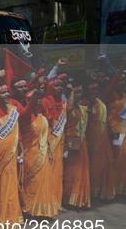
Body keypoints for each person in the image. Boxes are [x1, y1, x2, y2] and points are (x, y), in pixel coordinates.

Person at [0, 79, 24, 226]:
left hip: (11, 152)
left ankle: (9, 217)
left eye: (7, 91)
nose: (7, 94)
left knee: (10, 183)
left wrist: (22, 149)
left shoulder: (13, 109)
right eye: (2, 92)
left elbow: (17, 131)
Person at [18, 78, 60, 217]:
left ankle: (41, 210)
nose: (36, 103)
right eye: (32, 101)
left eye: (37, 101)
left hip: (42, 153)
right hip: (30, 156)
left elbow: (45, 135)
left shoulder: (41, 117)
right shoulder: (24, 116)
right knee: (32, 184)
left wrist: (48, 151)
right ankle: (28, 209)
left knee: (44, 183)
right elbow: (30, 106)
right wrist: (37, 87)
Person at [104, 54, 126, 195]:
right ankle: (112, 186)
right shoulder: (110, 95)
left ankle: (122, 189)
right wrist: (122, 65)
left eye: (125, 81)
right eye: (120, 81)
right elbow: (115, 81)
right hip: (114, 133)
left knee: (124, 159)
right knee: (114, 159)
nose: (123, 83)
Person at [82, 80, 115, 200]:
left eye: (96, 89)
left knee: (106, 162)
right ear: (86, 91)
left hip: (104, 138)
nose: (95, 92)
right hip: (91, 139)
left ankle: (103, 190)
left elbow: (104, 120)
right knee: (94, 165)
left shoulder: (100, 102)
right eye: (92, 89)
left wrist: (112, 130)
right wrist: (90, 103)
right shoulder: (82, 103)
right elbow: (86, 118)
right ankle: (93, 191)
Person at [40, 75, 67, 211]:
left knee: (58, 172)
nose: (60, 88)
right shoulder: (44, 102)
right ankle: (47, 203)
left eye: (61, 85)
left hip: (60, 142)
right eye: (56, 85)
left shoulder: (63, 103)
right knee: (48, 171)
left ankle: (57, 202)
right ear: (50, 87)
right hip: (48, 139)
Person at [62, 84, 90, 207]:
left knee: (80, 171)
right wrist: (67, 144)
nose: (79, 95)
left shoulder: (80, 108)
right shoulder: (67, 107)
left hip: (80, 142)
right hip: (70, 142)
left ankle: (78, 199)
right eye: (76, 93)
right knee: (70, 172)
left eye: (80, 93)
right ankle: (68, 199)